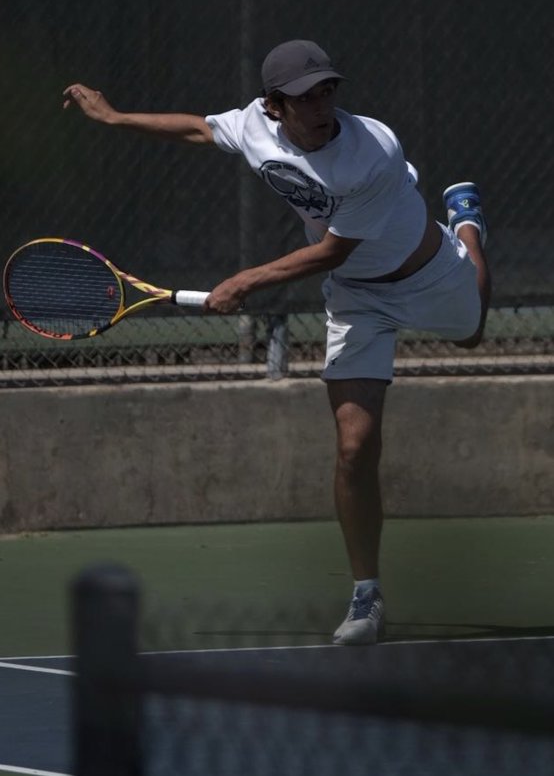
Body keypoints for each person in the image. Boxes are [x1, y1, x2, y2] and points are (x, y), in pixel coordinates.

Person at [63, 39, 491, 646]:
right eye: (304, 97)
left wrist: (246, 280)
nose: (321, 106)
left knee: (473, 333)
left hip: (426, 274)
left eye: (327, 91)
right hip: (357, 297)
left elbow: (332, 249)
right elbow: (196, 129)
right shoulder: (253, 125)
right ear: (273, 106)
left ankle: (468, 225)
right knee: (353, 446)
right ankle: (366, 595)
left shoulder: (371, 149)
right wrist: (114, 116)